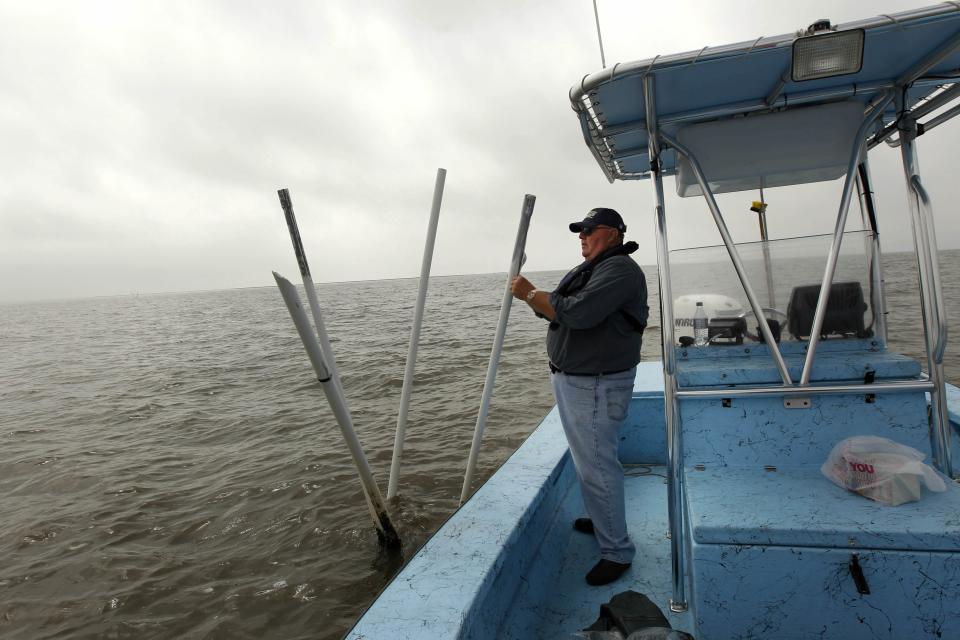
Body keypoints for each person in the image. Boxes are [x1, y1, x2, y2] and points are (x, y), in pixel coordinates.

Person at [511, 207, 648, 586]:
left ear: (614, 233)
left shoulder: (619, 270)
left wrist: (529, 293)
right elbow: (560, 307)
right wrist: (538, 300)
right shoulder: (596, 268)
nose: (582, 236)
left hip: (596, 385)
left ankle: (617, 552)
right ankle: (602, 518)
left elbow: (579, 313)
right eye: (580, 231)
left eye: (589, 229)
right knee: (589, 460)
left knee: (598, 466)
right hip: (581, 382)